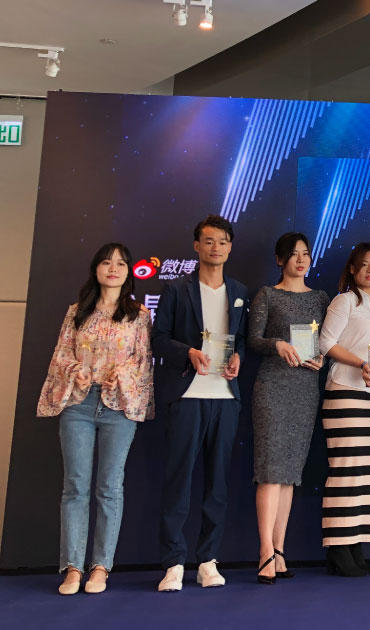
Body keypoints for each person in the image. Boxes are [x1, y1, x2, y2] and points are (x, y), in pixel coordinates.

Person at [37, 243, 154, 596]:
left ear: (129, 271)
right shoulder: (77, 311)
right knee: (75, 486)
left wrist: (122, 376)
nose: (113, 268)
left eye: (120, 263)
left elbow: (143, 361)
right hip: (79, 403)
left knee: (110, 487)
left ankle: (101, 567)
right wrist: (77, 370)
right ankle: (73, 568)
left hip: (118, 407)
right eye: (106, 262)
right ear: (96, 269)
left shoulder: (138, 315)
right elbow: (61, 354)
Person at [152, 215, 248, 592]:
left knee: (218, 484)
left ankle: (208, 560)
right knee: (178, 481)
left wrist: (238, 356)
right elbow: (159, 338)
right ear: (196, 246)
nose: (216, 247)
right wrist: (188, 352)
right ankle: (173, 562)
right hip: (187, 396)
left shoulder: (239, 290)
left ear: (230, 247)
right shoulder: (177, 290)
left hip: (225, 398)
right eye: (209, 241)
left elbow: (241, 339)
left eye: (222, 241)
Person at [247, 233, 329, 584]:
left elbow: (327, 342)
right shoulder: (267, 294)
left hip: (306, 388)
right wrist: (277, 344)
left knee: (290, 473)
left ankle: (279, 550)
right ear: (280, 259)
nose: (300, 260)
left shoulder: (321, 298)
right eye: (293, 254)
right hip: (272, 386)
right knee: (270, 469)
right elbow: (253, 339)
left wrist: (322, 358)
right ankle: (264, 550)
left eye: (305, 254)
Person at [318, 242, 370, 577]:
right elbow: (326, 342)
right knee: (346, 470)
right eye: (364, 264)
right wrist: (360, 363)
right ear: (352, 269)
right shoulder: (345, 301)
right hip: (345, 393)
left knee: (365, 473)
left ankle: (356, 543)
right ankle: (338, 547)